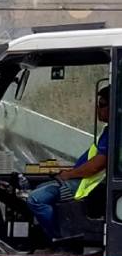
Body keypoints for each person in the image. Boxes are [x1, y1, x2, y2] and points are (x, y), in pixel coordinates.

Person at [27, 86, 110, 241]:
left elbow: (96, 165)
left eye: (102, 104)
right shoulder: (109, 131)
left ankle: (60, 239)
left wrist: (68, 175)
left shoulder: (115, 133)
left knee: (36, 199)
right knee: (37, 188)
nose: (97, 109)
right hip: (84, 179)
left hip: (86, 184)